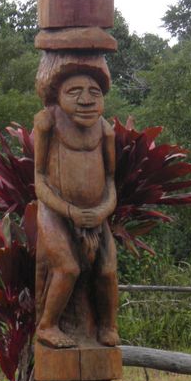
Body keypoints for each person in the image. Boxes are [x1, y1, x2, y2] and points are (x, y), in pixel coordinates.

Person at [32, 54, 119, 350]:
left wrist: (102, 211)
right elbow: (39, 180)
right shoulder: (48, 122)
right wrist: (67, 210)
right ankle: (47, 325)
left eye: (94, 92)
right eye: (74, 92)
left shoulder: (105, 130)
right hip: (55, 211)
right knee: (67, 268)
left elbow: (110, 181)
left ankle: (108, 325)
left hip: (96, 215)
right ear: (57, 95)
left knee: (107, 269)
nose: (86, 100)